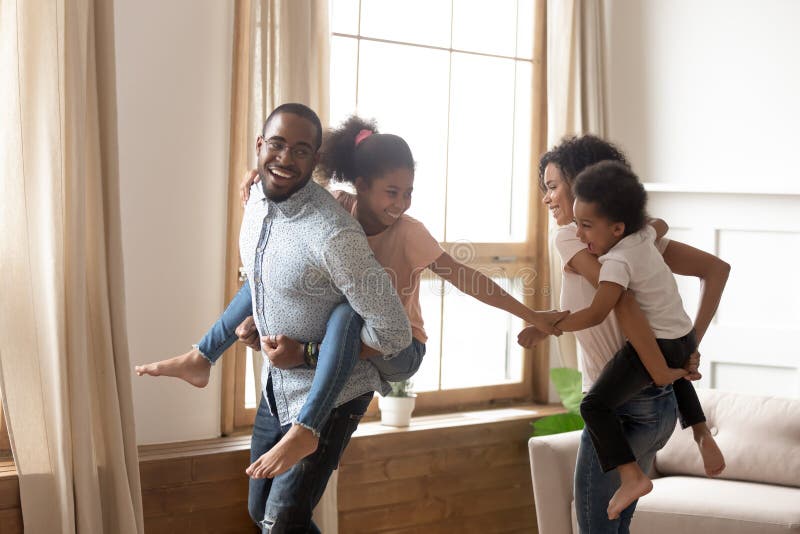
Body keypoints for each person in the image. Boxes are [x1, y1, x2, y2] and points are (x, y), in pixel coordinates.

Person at [139, 115, 566, 477]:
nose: (401, 203)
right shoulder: (335, 210)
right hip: (346, 340)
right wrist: (259, 179)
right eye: (392, 192)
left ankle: (305, 425)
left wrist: (531, 314)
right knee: (263, 278)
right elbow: (288, 199)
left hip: (399, 347)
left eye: (408, 193)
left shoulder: (410, 233)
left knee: (346, 313)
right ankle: (203, 355)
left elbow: (466, 277)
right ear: (360, 184)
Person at [141, 103, 413, 533]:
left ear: (315, 159)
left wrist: (307, 354)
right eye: (278, 144)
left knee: (280, 523)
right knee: (261, 510)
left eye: (301, 150)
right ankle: (201, 357)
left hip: (333, 397)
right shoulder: (257, 201)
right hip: (277, 385)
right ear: (259, 145)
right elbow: (262, 281)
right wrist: (256, 324)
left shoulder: (335, 233)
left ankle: (305, 427)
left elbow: (394, 331)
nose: (286, 158)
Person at [518, 135, 730, 533]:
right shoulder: (633, 237)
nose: (547, 199)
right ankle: (698, 431)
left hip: (619, 405)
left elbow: (620, 303)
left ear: (583, 181)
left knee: (597, 528)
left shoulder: (569, 235)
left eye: (552, 186)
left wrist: (548, 325)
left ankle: (676, 446)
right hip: (661, 409)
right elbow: (717, 270)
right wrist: (685, 346)